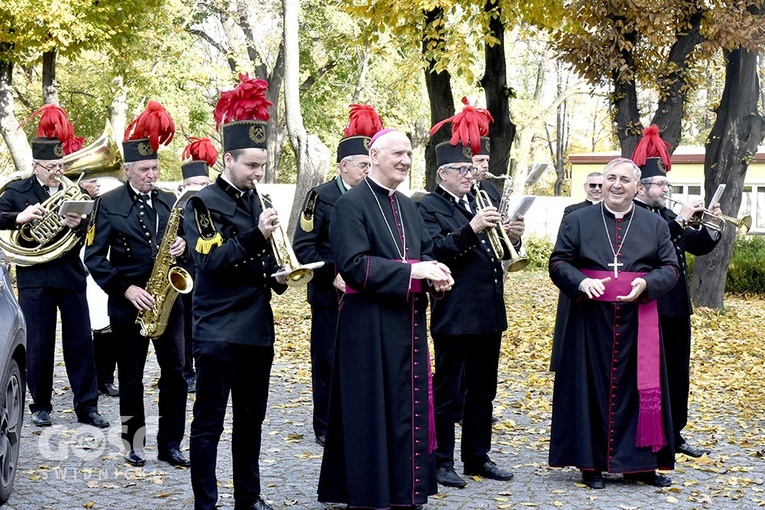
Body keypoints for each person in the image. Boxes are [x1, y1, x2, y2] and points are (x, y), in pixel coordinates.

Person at [317, 129, 454, 509]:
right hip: (367, 325)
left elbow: (423, 257)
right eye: (397, 153)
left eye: (409, 154)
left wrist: (437, 279)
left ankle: (403, 491)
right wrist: (416, 273)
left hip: (408, 322)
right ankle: (370, 494)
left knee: (404, 410)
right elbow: (354, 267)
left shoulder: (410, 206)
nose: (405, 161)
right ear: (374, 155)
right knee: (372, 413)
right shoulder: (351, 205)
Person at [185, 75, 288, 510]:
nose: (258, 173)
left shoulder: (257, 200)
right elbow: (210, 260)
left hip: (256, 330)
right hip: (217, 330)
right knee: (209, 424)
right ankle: (205, 503)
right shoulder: (201, 202)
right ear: (228, 159)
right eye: (251, 165)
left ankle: (249, 497)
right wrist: (256, 238)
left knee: (252, 422)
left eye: (262, 166)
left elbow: (263, 265)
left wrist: (280, 272)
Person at [549, 157, 680, 490]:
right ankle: (590, 464)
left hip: (639, 322)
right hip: (589, 320)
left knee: (639, 392)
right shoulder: (577, 220)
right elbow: (559, 262)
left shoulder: (655, 225)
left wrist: (647, 285)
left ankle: (640, 465)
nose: (616, 185)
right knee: (588, 388)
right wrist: (579, 281)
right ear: (602, 182)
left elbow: (671, 268)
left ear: (637, 186)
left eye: (625, 179)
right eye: (611, 178)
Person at [416, 115, 523, 489]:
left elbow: (498, 255)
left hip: (489, 311)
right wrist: (472, 228)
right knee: (448, 391)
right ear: (443, 172)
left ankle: (477, 456)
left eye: (470, 168)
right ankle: (442, 460)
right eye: (462, 169)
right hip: (455, 311)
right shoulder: (427, 206)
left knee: (483, 390)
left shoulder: (482, 198)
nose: (470, 174)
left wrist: (512, 237)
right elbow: (433, 251)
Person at [85, 101, 189, 468]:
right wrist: (124, 289)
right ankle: (134, 441)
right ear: (128, 169)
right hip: (128, 299)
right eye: (144, 169)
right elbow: (93, 256)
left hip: (167, 300)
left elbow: (190, 247)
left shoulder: (169, 200)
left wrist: (183, 246)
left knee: (175, 374)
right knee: (130, 377)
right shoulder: (108, 203)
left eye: (155, 168)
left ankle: (171, 444)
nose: (151, 174)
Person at [0, 104, 108, 429]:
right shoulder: (18, 191)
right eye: (50, 166)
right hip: (35, 278)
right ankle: (40, 406)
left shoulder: (71, 190)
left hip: (70, 275)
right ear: (36, 165)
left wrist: (77, 222)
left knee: (80, 344)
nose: (57, 171)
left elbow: (87, 232)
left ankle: (87, 407)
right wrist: (19, 217)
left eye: (60, 164)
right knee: (38, 344)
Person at [292, 104, 382, 447]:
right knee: (328, 359)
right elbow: (304, 246)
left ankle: (358, 420)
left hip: (366, 291)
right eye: (363, 165)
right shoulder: (320, 197)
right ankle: (325, 425)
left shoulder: (374, 197)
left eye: (370, 165)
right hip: (330, 295)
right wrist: (331, 274)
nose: (367, 171)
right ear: (344, 166)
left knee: (363, 359)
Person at [632, 125, 719, 458]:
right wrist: (681, 220)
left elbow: (696, 246)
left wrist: (710, 225)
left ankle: (675, 431)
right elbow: (652, 241)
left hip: (677, 306)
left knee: (678, 372)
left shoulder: (668, 214)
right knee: (652, 373)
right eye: (660, 184)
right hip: (650, 304)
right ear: (641, 187)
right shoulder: (637, 215)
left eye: (666, 184)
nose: (666, 190)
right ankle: (651, 431)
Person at [550, 171, 605, 371]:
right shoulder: (572, 211)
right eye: (593, 185)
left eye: (600, 185)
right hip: (578, 275)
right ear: (585, 187)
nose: (597, 189)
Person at [178, 137, 215, 394]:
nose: (201, 188)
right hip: (185, 272)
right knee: (185, 326)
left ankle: (203, 370)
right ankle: (186, 371)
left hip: (208, 271)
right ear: (185, 186)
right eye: (196, 185)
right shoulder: (176, 206)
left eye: (205, 184)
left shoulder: (214, 202)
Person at [81, 179, 119, 398]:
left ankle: (107, 378)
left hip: (110, 269)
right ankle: (91, 379)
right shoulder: (83, 204)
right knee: (88, 332)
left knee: (110, 331)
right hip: (86, 272)